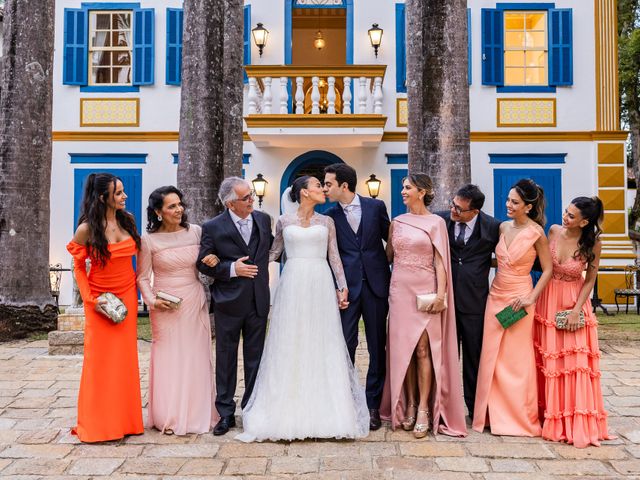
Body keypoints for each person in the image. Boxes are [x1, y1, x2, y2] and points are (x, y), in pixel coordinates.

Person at [236, 176, 369, 442]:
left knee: (322, 341)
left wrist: (342, 286)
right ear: (304, 193)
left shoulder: (327, 222)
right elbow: (273, 253)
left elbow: (334, 257)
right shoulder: (284, 221)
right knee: (291, 341)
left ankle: (328, 411)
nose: (323, 189)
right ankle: (286, 408)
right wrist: (240, 260)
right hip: (293, 283)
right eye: (318, 186)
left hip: (320, 281)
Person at [380, 173, 467, 438]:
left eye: (408, 188)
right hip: (400, 291)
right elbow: (388, 258)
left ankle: (424, 411)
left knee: (422, 350)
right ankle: (409, 404)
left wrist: (441, 295)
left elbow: (440, 262)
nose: (403, 191)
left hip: (427, 291)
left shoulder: (436, 223)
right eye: (403, 187)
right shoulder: (397, 222)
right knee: (403, 351)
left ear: (422, 191)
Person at [66, 173, 144, 442]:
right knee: (99, 363)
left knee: (124, 361)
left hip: (127, 297)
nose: (124, 196)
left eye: (123, 191)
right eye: (118, 193)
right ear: (103, 197)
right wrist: (90, 299)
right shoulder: (87, 229)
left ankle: (126, 422)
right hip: (100, 300)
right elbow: (77, 267)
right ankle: (98, 424)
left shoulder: (128, 220)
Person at [137, 186, 220, 435]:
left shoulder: (196, 232)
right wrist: (152, 301)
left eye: (180, 204)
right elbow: (142, 277)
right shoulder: (149, 240)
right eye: (172, 206)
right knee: (168, 357)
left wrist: (213, 260)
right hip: (164, 306)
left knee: (195, 355)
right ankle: (168, 415)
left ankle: (198, 413)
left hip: (193, 300)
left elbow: (209, 260)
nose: (179, 209)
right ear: (158, 212)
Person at [473, 178, 553, 436]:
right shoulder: (503, 228)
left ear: (528, 207)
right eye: (508, 200)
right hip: (496, 295)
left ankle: (517, 417)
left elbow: (548, 269)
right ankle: (488, 415)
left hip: (520, 298)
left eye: (514, 202)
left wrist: (531, 298)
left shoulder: (537, 233)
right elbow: (498, 261)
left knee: (515, 360)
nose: (508, 205)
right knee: (491, 357)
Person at [534, 196, 614, 447]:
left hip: (574, 300)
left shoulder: (594, 243)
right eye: (566, 212)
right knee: (549, 358)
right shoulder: (554, 231)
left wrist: (576, 310)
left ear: (585, 221)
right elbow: (544, 265)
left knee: (575, 362)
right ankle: (549, 415)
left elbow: (590, 279)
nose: (564, 218)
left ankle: (573, 420)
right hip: (548, 297)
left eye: (571, 216)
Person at [197, 177, 274, 436]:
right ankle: (225, 413)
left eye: (251, 195)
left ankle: (251, 409)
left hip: (259, 300)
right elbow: (202, 263)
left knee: (255, 359)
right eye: (246, 198)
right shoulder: (213, 227)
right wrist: (231, 268)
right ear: (230, 203)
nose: (252, 199)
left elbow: (270, 252)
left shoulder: (263, 220)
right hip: (228, 302)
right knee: (226, 359)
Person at [323, 163, 391, 430]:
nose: (325, 188)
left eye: (328, 184)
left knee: (377, 347)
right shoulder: (329, 215)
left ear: (344, 185)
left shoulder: (376, 207)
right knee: (345, 346)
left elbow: (392, 239)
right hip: (346, 291)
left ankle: (373, 405)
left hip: (376, 287)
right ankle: (347, 401)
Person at [436, 185, 501, 419]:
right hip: (446, 300)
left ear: (474, 211)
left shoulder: (493, 227)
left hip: (475, 303)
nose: (453, 210)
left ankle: (475, 409)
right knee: (446, 358)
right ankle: (444, 407)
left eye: (459, 209)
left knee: (474, 358)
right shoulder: (440, 220)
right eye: (452, 204)